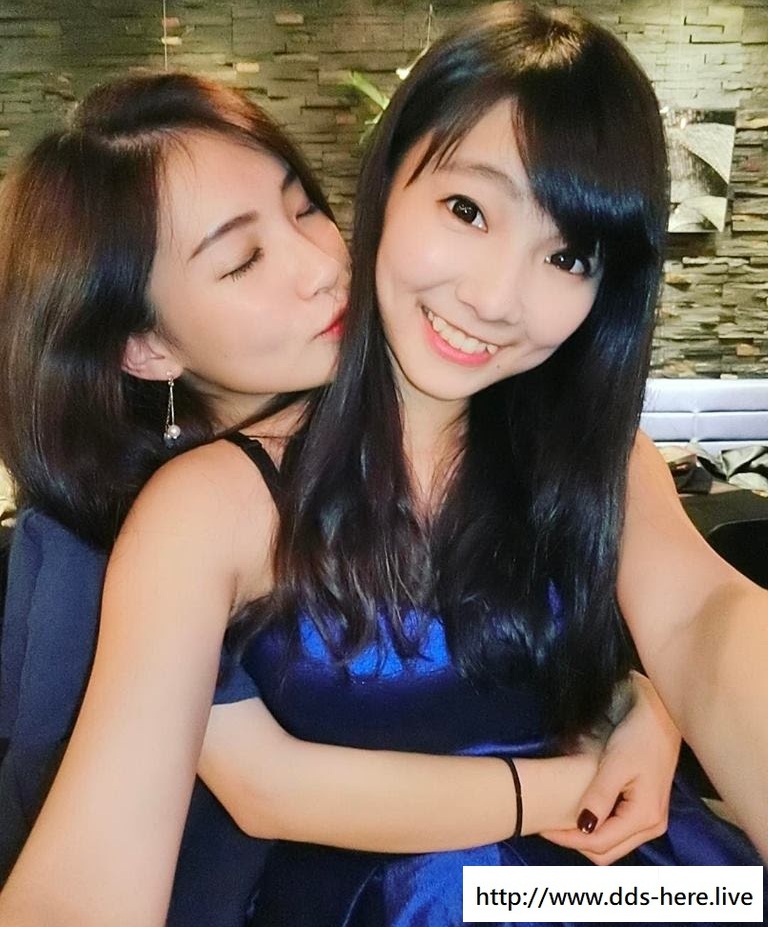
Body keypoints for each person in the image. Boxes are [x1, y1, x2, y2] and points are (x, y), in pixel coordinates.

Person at [0, 71, 682, 925]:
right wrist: (574, 787)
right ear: (146, 347)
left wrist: (640, 701)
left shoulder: (435, 427)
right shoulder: (157, 525)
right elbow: (257, 791)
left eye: (306, 210)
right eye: (243, 260)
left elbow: (487, 655)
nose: (326, 267)